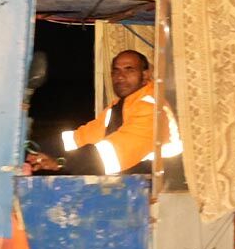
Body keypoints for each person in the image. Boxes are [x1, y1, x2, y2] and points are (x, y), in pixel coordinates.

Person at [28, 50, 182, 175]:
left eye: (129, 70)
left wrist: (60, 162)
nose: (120, 77)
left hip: (159, 194)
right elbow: (80, 138)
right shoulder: (120, 106)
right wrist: (34, 148)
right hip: (134, 185)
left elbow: (111, 155)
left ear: (146, 75)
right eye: (116, 71)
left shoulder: (152, 107)